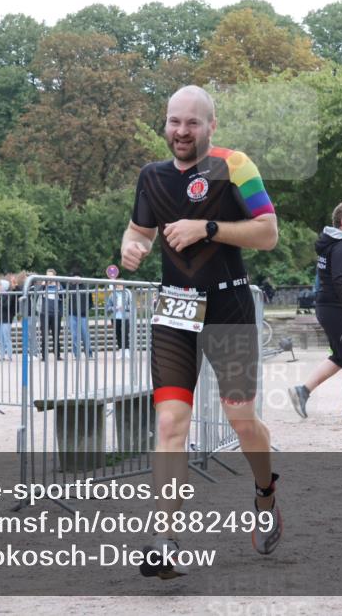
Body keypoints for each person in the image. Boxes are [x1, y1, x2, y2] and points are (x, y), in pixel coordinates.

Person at [121, 85, 282, 576]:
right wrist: (132, 246)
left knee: (241, 421)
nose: (181, 132)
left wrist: (206, 227)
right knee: (170, 424)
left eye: (192, 123)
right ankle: (165, 541)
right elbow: (139, 230)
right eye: (174, 122)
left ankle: (265, 491)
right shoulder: (152, 177)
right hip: (175, 310)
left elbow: (269, 233)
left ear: (212, 125)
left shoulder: (235, 166)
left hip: (228, 306)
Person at [288, 200, 342, 421]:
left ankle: (303, 391)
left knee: (341, 355)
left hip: (328, 306)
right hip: (337, 308)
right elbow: (339, 279)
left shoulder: (331, 244)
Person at [66, 266, 93, 359]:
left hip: (83, 315)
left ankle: (89, 354)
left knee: (85, 335)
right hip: (72, 314)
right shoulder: (70, 287)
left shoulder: (86, 287)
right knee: (74, 335)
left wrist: (85, 309)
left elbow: (90, 302)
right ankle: (76, 354)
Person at [105, 283, 132, 354]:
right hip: (115, 317)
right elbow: (108, 307)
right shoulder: (112, 294)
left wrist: (125, 307)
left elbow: (132, 306)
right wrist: (115, 308)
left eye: (121, 285)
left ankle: (127, 350)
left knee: (125, 333)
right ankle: (120, 350)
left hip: (125, 317)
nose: (119, 286)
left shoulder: (127, 293)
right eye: (118, 285)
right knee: (118, 334)